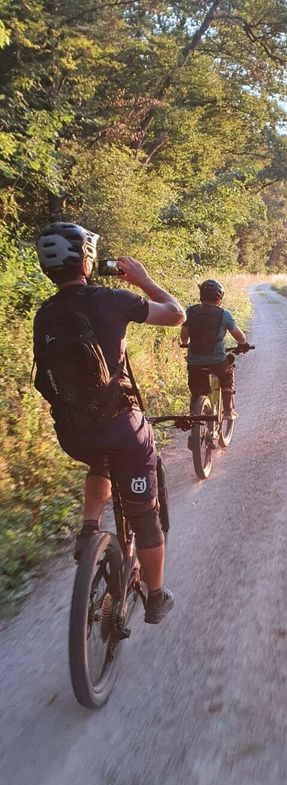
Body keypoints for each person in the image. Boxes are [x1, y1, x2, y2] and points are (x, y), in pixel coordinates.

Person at [34, 221, 185, 624]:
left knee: (100, 459)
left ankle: (88, 530)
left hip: (73, 434)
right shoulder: (112, 298)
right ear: (86, 260)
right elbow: (175, 315)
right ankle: (155, 597)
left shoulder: (44, 313)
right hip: (122, 429)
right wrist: (144, 280)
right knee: (144, 516)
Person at [180, 279, 248, 419]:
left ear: (201, 296)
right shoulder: (224, 314)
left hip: (194, 361)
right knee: (227, 374)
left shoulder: (191, 311)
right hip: (217, 361)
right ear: (219, 298)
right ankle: (228, 411)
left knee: (197, 390)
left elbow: (184, 335)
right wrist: (242, 344)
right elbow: (240, 338)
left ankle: (195, 412)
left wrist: (185, 342)